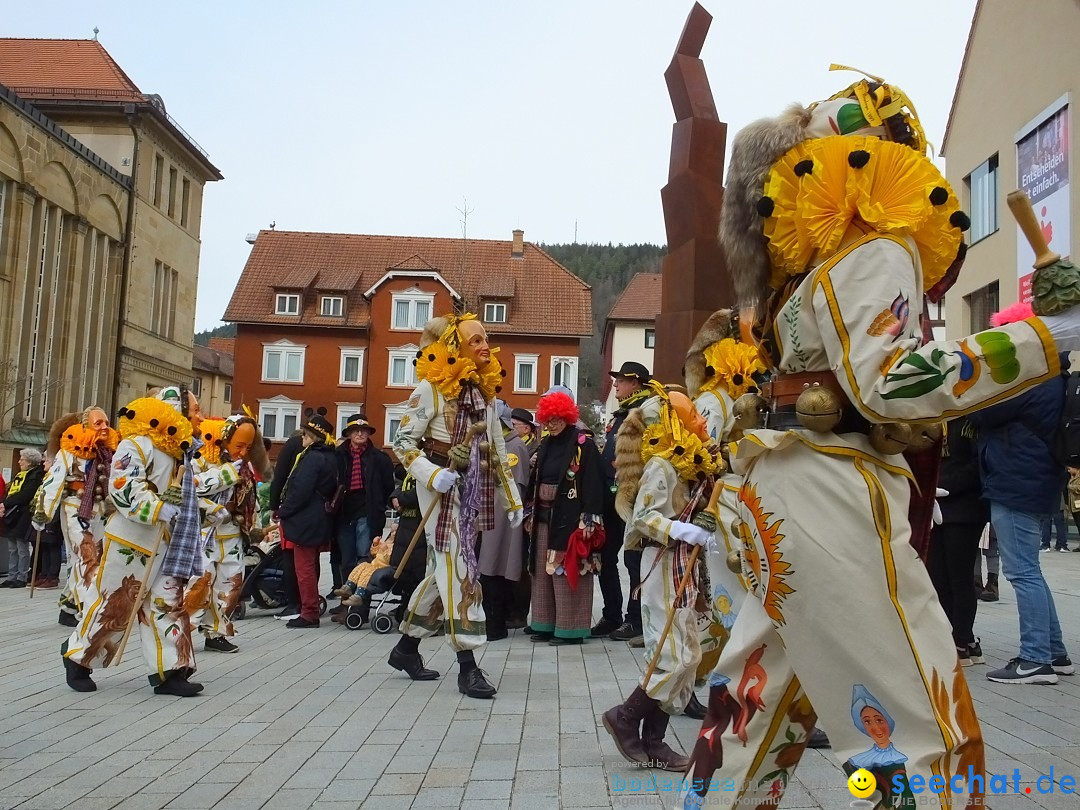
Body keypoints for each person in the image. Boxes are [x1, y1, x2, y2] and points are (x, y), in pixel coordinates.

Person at [676, 69, 1080, 806]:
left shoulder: (797, 280)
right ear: (886, 161)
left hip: (777, 497)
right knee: (921, 737)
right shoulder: (875, 249)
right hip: (834, 497)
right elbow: (888, 383)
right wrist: (1044, 338)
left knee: (745, 722)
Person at [388, 312, 523, 699]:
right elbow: (401, 442)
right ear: (454, 348)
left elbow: (496, 448)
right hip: (440, 485)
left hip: (471, 485)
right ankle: (468, 665)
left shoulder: (485, 394)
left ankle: (406, 649)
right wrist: (431, 474)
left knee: (442, 568)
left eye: (485, 339)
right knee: (460, 566)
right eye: (476, 340)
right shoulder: (430, 389)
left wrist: (513, 499)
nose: (485, 346)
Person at [62, 385, 209, 696]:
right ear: (171, 412)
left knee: (168, 604)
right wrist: (158, 509)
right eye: (194, 410)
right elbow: (122, 486)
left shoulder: (182, 452)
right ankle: (78, 658)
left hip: (169, 541)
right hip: (133, 542)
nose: (199, 416)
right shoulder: (136, 445)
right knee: (113, 605)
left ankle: (171, 670)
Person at [602, 391, 720, 771]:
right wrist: (684, 530)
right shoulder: (662, 466)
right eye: (693, 415)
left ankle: (653, 741)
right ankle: (625, 717)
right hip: (662, 562)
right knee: (672, 656)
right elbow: (642, 517)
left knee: (688, 657)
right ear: (674, 423)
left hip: (684, 564)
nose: (701, 421)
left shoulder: (695, 466)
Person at [967, 306, 1073, 684]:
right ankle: (1054, 653)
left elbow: (981, 412)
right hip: (1036, 478)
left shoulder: (1030, 378)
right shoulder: (1056, 375)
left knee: (1023, 572)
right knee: (1032, 570)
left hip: (1016, 479)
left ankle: (1034, 659)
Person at [524, 391, 605, 645]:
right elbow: (534, 480)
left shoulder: (584, 444)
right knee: (541, 571)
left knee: (567, 571)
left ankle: (570, 629)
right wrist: (530, 511)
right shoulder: (545, 444)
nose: (553, 423)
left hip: (572, 518)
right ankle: (545, 623)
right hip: (544, 515)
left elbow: (593, 482)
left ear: (567, 417)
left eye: (558, 418)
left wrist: (590, 518)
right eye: (548, 419)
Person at [592, 361, 663, 643]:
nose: (615, 384)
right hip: (611, 495)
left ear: (636, 382)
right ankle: (612, 615)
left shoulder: (648, 411)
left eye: (620, 380)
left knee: (633, 558)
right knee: (605, 555)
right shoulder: (621, 413)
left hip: (634, 495)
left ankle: (637, 619)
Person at [193, 414, 270, 651]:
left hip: (234, 535)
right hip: (206, 534)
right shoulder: (201, 459)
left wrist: (253, 522)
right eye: (239, 445)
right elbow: (193, 488)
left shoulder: (243, 465)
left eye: (247, 447)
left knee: (230, 584)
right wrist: (219, 505)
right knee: (199, 585)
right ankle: (180, 632)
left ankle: (215, 633)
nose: (243, 451)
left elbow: (250, 496)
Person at [37, 408, 118, 623]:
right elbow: (53, 481)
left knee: (86, 558)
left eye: (106, 423)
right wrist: (43, 512)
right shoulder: (70, 451)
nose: (104, 428)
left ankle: (69, 604)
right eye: (98, 423)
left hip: (98, 510)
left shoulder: (108, 453)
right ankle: (88, 610)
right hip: (74, 506)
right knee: (86, 554)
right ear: (85, 426)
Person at [927, 417, 987, 667]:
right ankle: (956, 636)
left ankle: (961, 640)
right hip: (935, 505)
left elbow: (978, 465)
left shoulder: (970, 419)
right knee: (937, 576)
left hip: (964, 507)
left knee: (959, 577)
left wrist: (940, 485)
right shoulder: (931, 417)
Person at [277, 413, 339, 628]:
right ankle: (311, 607)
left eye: (305, 433)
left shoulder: (313, 457)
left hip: (305, 519)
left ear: (313, 436)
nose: (302, 436)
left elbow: (300, 489)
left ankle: (309, 613)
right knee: (311, 566)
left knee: (303, 568)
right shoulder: (330, 456)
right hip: (318, 517)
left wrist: (284, 510)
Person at [480, 401, 531, 641]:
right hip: (485, 517)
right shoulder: (488, 445)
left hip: (501, 520)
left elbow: (515, 487)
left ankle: (496, 624)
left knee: (495, 570)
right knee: (486, 572)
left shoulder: (514, 447)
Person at [334, 415, 394, 595]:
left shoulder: (379, 458)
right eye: (356, 431)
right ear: (349, 434)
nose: (360, 434)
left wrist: (379, 506)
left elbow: (388, 487)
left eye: (363, 431)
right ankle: (346, 601)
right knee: (346, 559)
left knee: (364, 556)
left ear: (368, 433)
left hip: (367, 511)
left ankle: (361, 603)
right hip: (343, 512)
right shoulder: (338, 456)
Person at [0, 448, 45, 588]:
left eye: (22, 459)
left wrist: (6, 502)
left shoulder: (35, 476)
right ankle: (12, 576)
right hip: (13, 513)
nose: (19, 461)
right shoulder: (21, 474)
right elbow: (10, 491)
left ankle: (21, 576)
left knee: (21, 547)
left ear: (30, 462)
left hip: (23, 514)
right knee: (12, 547)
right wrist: (3, 502)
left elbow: (26, 494)